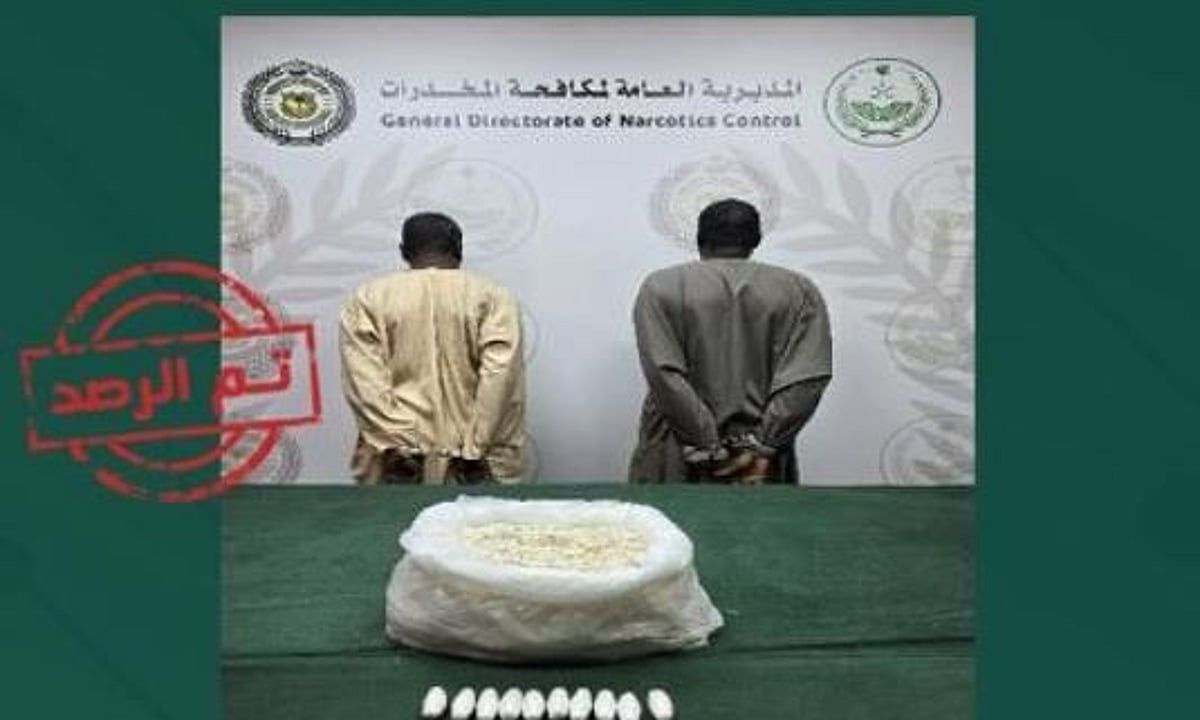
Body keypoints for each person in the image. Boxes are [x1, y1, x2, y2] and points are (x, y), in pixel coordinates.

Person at [629, 198, 832, 484]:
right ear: (755, 240)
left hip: (677, 451)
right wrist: (763, 443)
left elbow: (664, 374)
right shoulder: (799, 290)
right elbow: (807, 378)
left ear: (700, 237)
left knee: (666, 514)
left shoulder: (661, 287)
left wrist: (706, 443)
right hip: (759, 463)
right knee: (759, 515)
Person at [339, 212, 525, 484]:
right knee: (480, 515)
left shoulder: (368, 299)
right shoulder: (493, 296)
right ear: (459, 250)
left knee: (393, 514)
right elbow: (501, 376)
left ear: (404, 251)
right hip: (477, 467)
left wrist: (401, 445)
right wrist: (475, 448)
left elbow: (364, 384)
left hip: (396, 466)